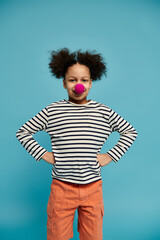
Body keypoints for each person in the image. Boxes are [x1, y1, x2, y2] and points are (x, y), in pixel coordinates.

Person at [16, 48, 138, 240]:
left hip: (93, 188)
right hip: (61, 189)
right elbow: (23, 132)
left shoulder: (103, 112)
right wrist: (44, 154)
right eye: (72, 80)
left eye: (83, 80)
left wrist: (110, 155)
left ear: (91, 83)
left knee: (93, 236)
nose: (78, 85)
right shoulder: (53, 111)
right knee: (57, 235)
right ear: (64, 83)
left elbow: (130, 131)